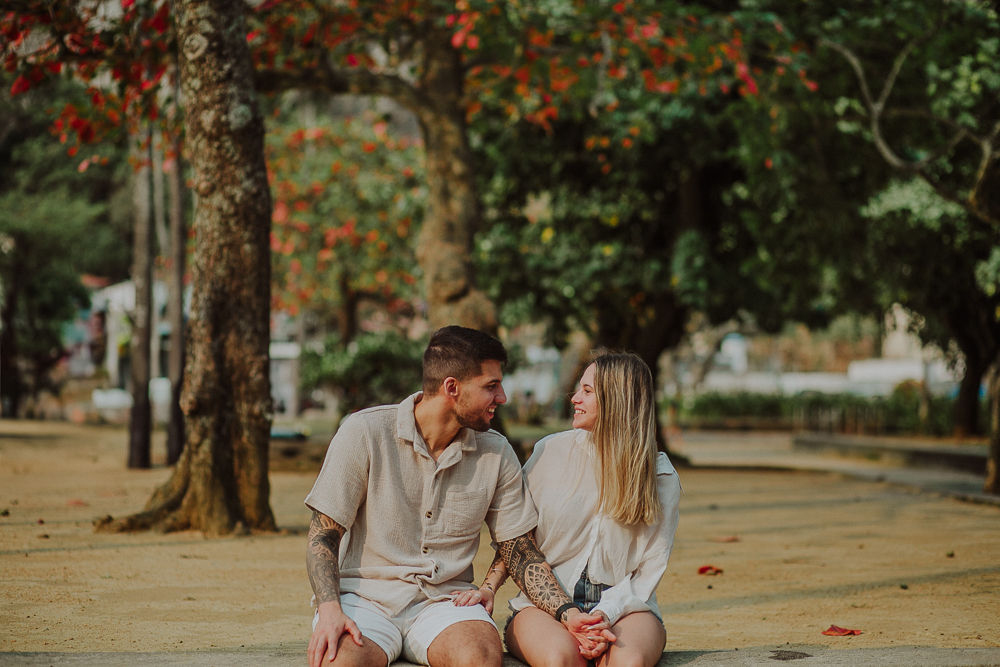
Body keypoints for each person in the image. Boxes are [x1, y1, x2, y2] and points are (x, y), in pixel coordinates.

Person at [304, 326, 616, 667]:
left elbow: (520, 551)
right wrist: (329, 609)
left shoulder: (496, 452)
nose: (502, 397)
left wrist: (568, 613)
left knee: (480, 658)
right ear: (452, 387)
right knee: (338, 660)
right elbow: (323, 536)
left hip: (447, 603)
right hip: (364, 599)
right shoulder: (364, 432)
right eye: (491, 386)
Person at [454, 352, 681, 667]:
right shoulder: (550, 451)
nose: (575, 398)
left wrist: (604, 615)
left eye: (587, 391)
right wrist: (489, 587)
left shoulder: (661, 476)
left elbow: (648, 572)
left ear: (617, 400)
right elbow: (518, 535)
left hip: (627, 607)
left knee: (629, 662)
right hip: (544, 605)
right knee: (560, 659)